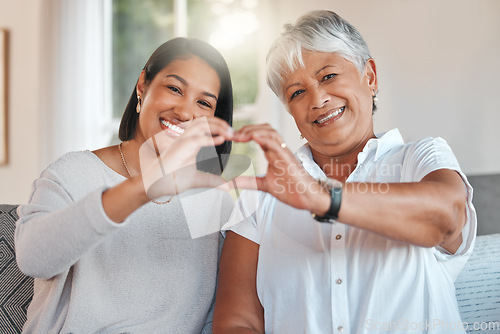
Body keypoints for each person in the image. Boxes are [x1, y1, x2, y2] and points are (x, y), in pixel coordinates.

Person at [213, 10, 476, 334]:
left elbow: (446, 218)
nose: (318, 98)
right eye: (296, 92)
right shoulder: (259, 196)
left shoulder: (420, 158)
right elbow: (238, 322)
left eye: (328, 76)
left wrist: (324, 198)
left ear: (370, 77)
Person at [15, 37, 235, 333]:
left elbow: (215, 314)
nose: (185, 112)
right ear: (143, 84)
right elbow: (33, 259)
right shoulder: (72, 173)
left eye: (204, 103)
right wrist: (143, 187)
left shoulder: (213, 199)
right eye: (174, 88)